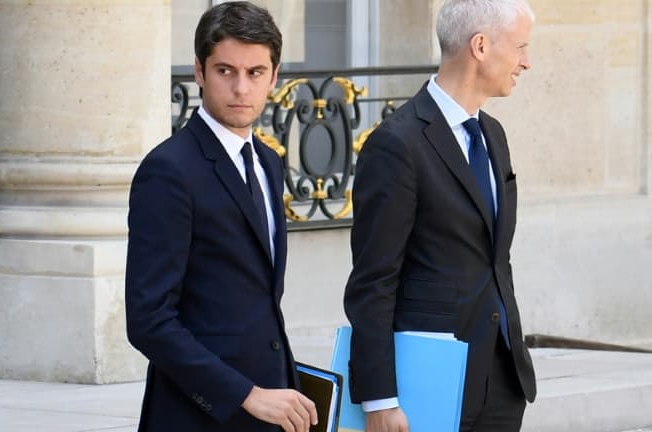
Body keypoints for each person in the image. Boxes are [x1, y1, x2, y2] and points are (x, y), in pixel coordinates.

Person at [343, 1, 537, 431]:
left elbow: (491, 255)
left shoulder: (493, 135)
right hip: (428, 386)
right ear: (480, 46)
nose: (527, 61)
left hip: (502, 382)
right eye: (521, 47)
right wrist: (379, 400)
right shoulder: (396, 144)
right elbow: (373, 281)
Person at [125, 2, 318, 431]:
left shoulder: (268, 162)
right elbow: (148, 321)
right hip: (197, 413)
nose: (241, 89)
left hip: (271, 407)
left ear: (274, 75)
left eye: (255, 73)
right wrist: (245, 395)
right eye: (225, 71)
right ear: (199, 71)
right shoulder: (169, 171)